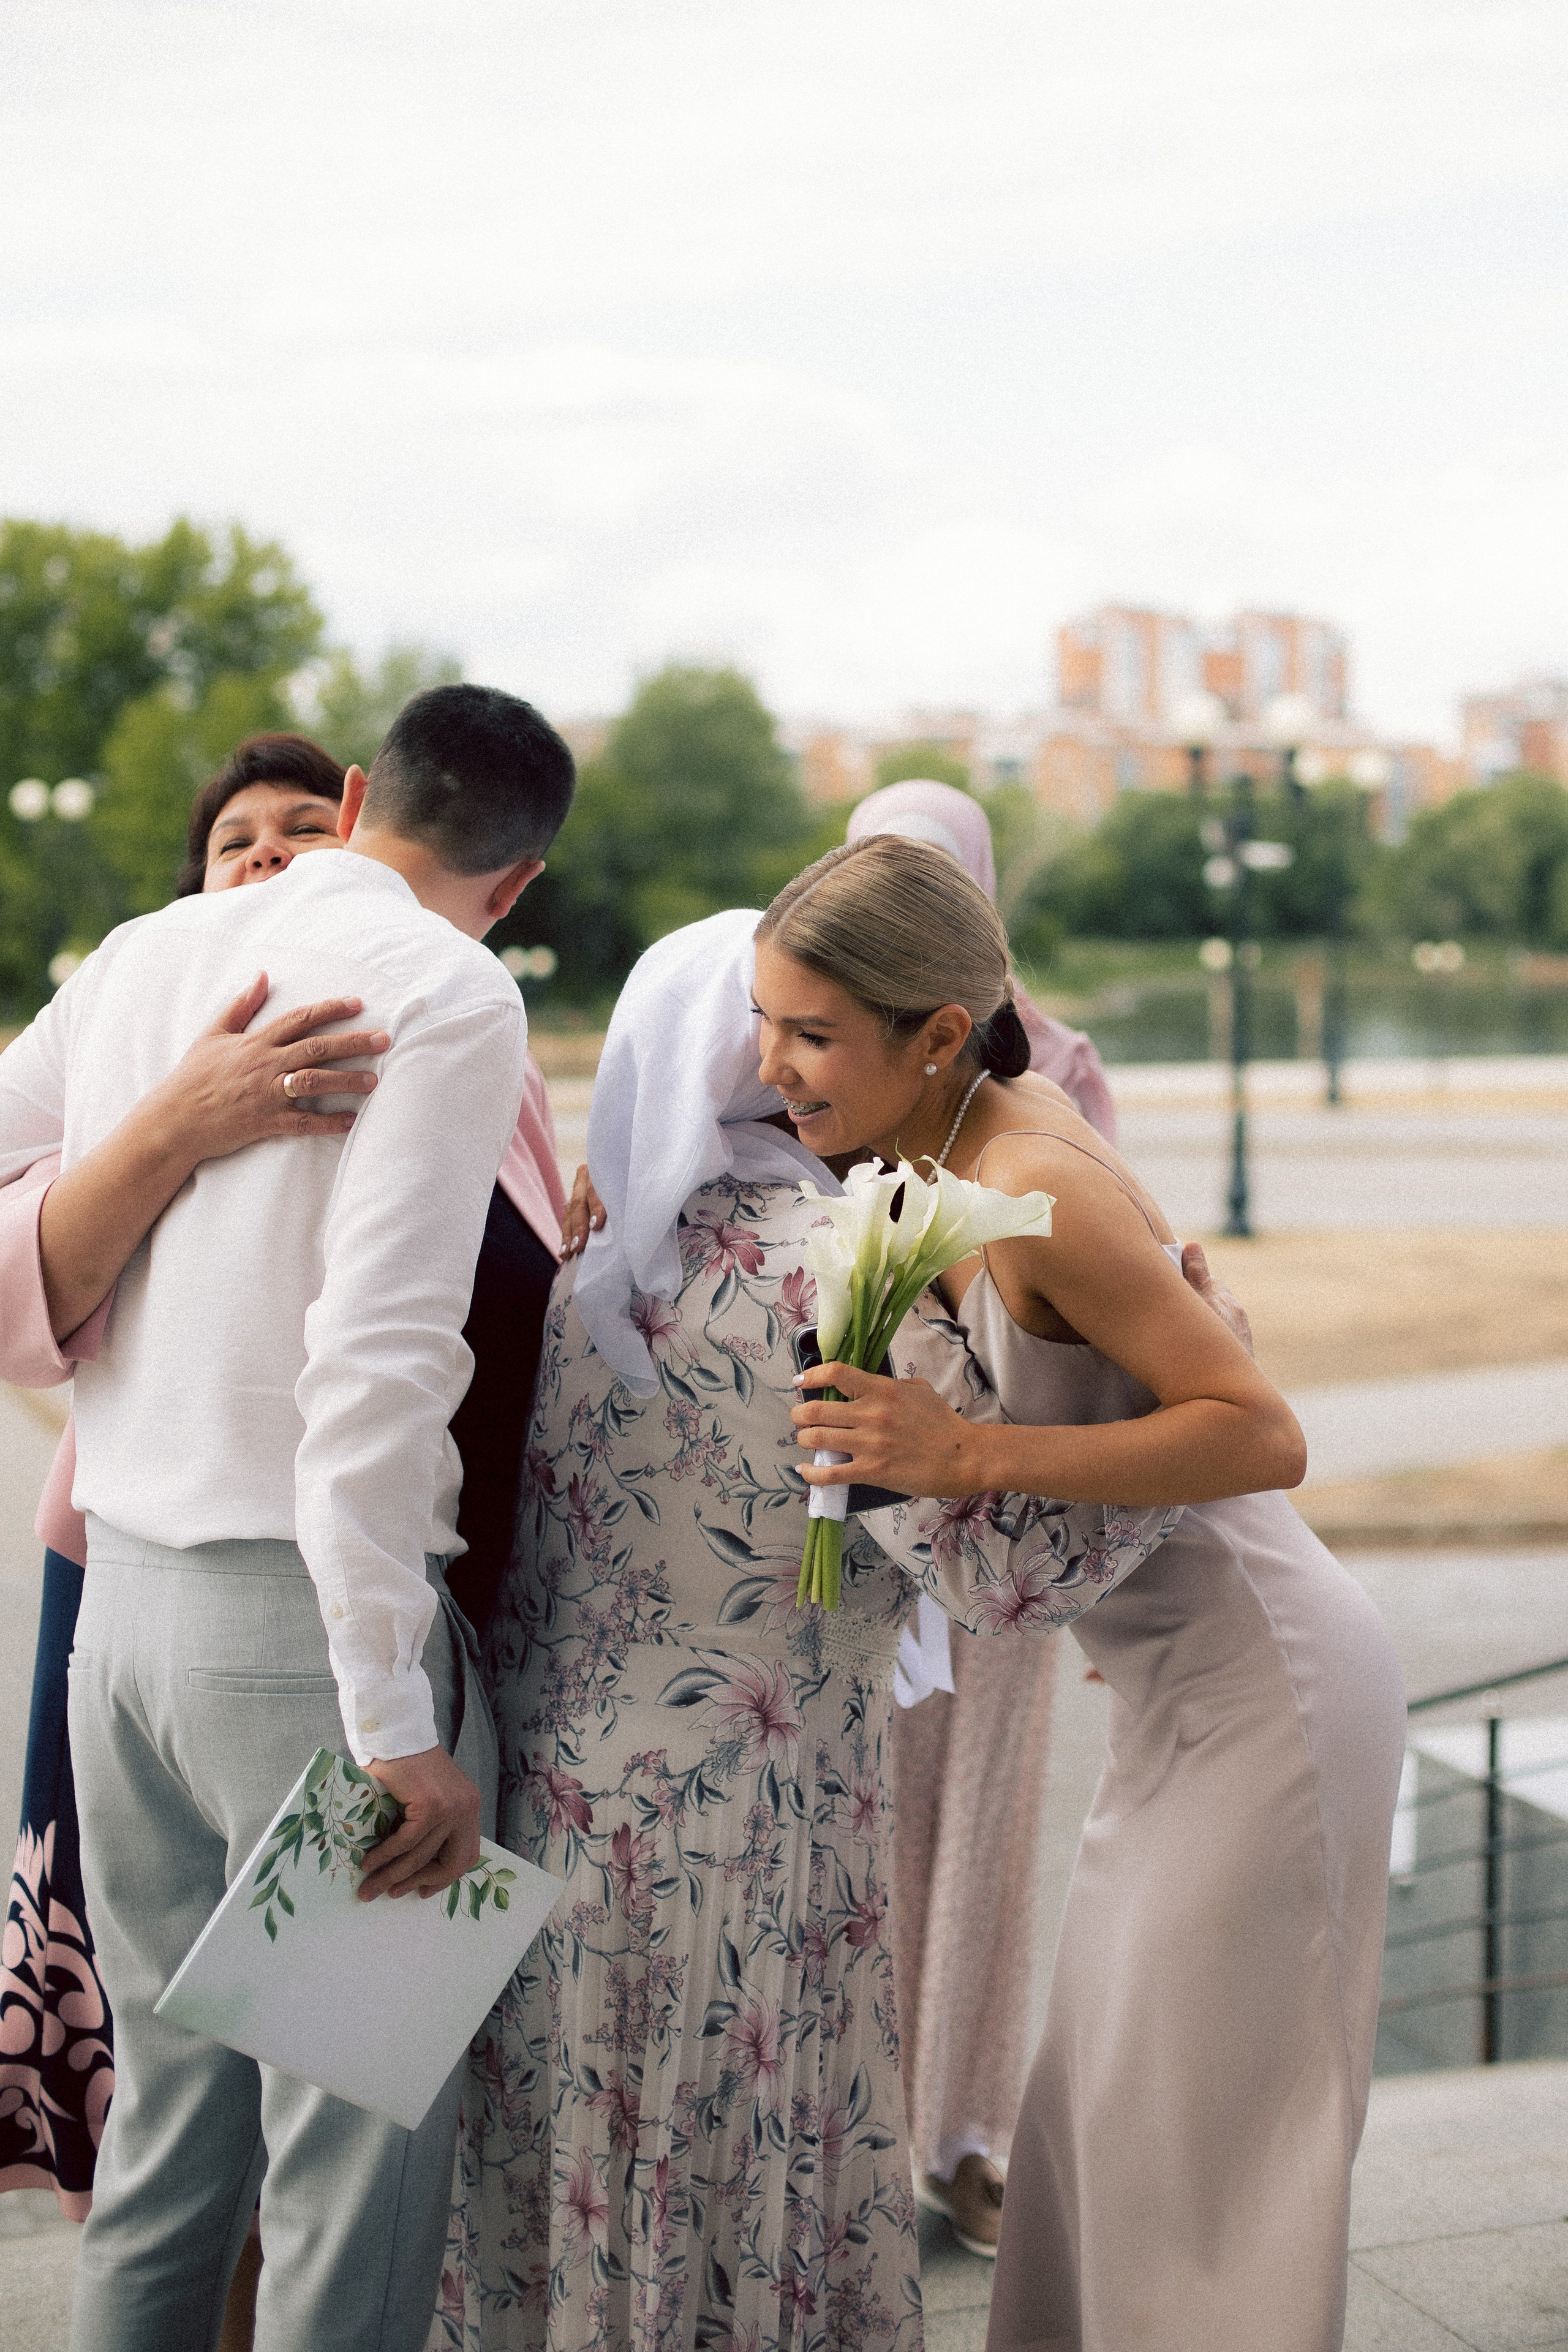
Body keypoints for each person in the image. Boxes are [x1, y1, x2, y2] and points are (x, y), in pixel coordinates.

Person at [431, 908, 1183, 2352]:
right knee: (735, 2197)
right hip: (755, 1838)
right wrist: (1161, 1431)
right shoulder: (851, 1264)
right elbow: (997, 1583)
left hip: (543, 1823)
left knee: (565, 2194)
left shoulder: (575, 1268)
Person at [766, 838, 1407, 2352]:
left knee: (1205, 2131)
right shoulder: (957, 1144)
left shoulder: (1035, 1181)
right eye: (764, 1021)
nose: (773, 1066)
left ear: (934, 1036)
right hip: (1168, 1692)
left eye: (807, 1033)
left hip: (1268, 1687)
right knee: (1110, 2091)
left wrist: (962, 1451)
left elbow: (1262, 1432)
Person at [0, 682, 576, 2352]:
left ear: (344, 796)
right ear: (520, 880)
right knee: (352, 2180)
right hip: (300, 1651)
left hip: (121, 1624)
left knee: (170, 2146)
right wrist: (398, 1718)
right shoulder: (449, 989)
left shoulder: (136, 954)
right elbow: (378, 1369)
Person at [844, 780, 1115, 2253]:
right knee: (868, 1820)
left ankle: (965, 2138)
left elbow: (1097, 1324)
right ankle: (864, 2129)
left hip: (1002, 1501)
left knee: (993, 1831)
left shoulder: (1056, 1065)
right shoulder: (813, 1037)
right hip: (869, 1508)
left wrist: (1100, 1578)